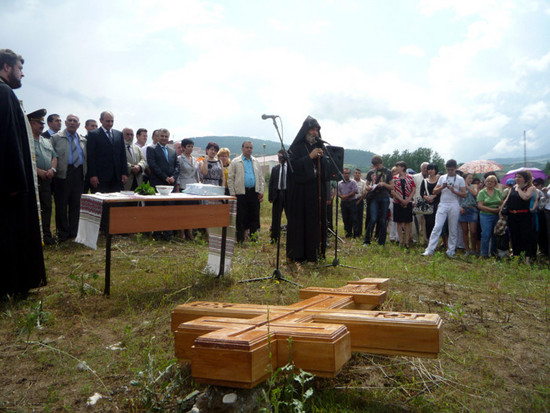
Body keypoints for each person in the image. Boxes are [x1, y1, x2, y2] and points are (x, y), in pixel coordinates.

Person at [0, 48, 47, 295]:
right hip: (10, 185)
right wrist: (17, 183)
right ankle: (12, 285)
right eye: (19, 68)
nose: (23, 74)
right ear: (6, 67)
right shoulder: (4, 93)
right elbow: (8, 141)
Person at [286, 116, 330, 261]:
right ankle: (298, 254)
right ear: (305, 130)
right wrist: (309, 157)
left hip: (317, 192)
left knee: (317, 222)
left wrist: (323, 160)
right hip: (301, 193)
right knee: (301, 223)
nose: (315, 132)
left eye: (317, 130)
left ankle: (316, 253)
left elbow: (325, 172)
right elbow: (293, 168)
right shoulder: (296, 148)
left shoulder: (320, 147)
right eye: (312, 129)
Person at [51, 114, 87, 242]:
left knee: (76, 204)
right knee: (61, 204)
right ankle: (63, 233)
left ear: (78, 125)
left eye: (75, 121)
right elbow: (52, 155)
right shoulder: (56, 138)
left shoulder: (83, 140)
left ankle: (73, 231)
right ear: (65, 123)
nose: (72, 123)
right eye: (70, 120)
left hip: (78, 173)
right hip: (63, 174)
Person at [422, 159, 466, 258]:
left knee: (453, 228)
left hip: (454, 203)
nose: (450, 171)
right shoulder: (442, 178)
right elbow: (434, 191)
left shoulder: (460, 179)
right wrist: (442, 187)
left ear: (456, 168)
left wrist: (454, 191)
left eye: (452, 170)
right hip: (443, 203)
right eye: (448, 169)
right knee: (437, 226)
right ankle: (430, 249)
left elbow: (464, 194)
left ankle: (451, 251)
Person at [29, 109, 58, 245]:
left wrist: (52, 169)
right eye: (38, 122)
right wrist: (38, 171)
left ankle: (47, 235)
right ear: (30, 123)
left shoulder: (46, 140)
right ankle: (35, 236)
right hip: (33, 180)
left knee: (47, 207)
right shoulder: (25, 140)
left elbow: (54, 156)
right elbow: (24, 160)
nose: (41, 125)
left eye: (42, 122)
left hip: (47, 179)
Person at [228, 141, 265, 243]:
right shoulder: (235, 161)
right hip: (241, 192)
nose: (249, 149)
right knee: (241, 216)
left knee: (254, 215)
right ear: (242, 148)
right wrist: (232, 193)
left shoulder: (256, 161)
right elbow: (230, 178)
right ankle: (240, 239)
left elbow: (261, 178)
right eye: (247, 147)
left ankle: (253, 238)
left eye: (251, 148)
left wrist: (261, 191)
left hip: (254, 192)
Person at [87, 111, 127, 193]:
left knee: (117, 203)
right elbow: (91, 157)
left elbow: (123, 155)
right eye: (108, 121)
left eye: (112, 121)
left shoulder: (119, 134)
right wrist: (93, 175)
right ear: (101, 120)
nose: (110, 123)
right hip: (101, 178)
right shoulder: (93, 134)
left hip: (117, 177)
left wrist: (124, 173)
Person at [502, 170, 537, 263]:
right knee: (514, 236)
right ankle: (517, 255)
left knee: (526, 236)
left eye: (519, 177)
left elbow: (526, 197)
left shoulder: (530, 188)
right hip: (513, 215)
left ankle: (527, 257)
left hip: (524, 216)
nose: (517, 179)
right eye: (516, 177)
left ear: (525, 179)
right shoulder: (513, 188)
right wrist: (501, 211)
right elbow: (507, 200)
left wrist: (519, 189)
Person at [363, 155, 394, 246]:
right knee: (373, 219)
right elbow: (366, 185)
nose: (376, 167)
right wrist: (368, 188)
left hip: (384, 197)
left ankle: (381, 242)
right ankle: (367, 240)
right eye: (374, 165)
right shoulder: (370, 172)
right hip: (374, 197)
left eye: (377, 165)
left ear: (381, 163)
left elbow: (392, 186)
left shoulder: (388, 172)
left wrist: (384, 184)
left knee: (383, 220)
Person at [392, 161, 416, 248]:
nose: (397, 168)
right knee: (399, 222)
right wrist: (401, 200)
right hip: (397, 202)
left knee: (407, 222)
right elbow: (392, 190)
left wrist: (408, 200)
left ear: (403, 167)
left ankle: (407, 242)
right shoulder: (394, 178)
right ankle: (400, 241)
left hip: (408, 202)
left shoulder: (410, 178)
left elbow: (413, 189)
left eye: (398, 167)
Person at [476, 175, 502, 258]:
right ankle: (484, 253)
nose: (489, 183)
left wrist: (500, 209)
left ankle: (493, 253)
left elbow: (501, 202)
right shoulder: (482, 192)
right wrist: (492, 210)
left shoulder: (497, 192)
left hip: (497, 215)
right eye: (488, 181)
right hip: (485, 215)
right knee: (486, 234)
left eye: (491, 181)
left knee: (495, 234)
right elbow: (480, 206)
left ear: (495, 183)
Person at [268, 150, 288, 243]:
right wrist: (270, 197)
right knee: (276, 217)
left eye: (281, 157)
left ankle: (291, 237)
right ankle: (274, 237)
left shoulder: (290, 169)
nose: (279, 159)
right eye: (278, 157)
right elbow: (271, 183)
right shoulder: (275, 169)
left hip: (288, 195)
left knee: (290, 217)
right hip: (277, 195)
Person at [459, 173, 479, 256]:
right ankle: (467, 249)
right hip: (463, 209)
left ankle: (474, 249)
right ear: (464, 179)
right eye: (468, 178)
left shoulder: (474, 186)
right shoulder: (460, 187)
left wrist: (467, 186)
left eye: (471, 178)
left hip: (472, 209)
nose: (470, 180)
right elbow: (458, 198)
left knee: (473, 231)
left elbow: (475, 193)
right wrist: (460, 207)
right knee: (465, 231)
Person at [420, 163, 440, 241]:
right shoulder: (424, 181)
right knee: (428, 223)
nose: (430, 171)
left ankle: (437, 240)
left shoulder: (439, 180)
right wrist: (427, 198)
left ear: (435, 170)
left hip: (437, 204)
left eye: (432, 169)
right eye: (429, 169)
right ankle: (429, 241)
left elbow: (441, 191)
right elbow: (421, 192)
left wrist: (433, 196)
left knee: (437, 223)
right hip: (428, 205)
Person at [338, 168, 358, 238]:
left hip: (351, 202)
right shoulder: (339, 183)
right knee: (345, 218)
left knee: (354, 218)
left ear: (350, 174)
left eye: (348, 173)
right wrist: (342, 197)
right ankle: (348, 233)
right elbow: (338, 193)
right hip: (344, 203)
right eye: (345, 173)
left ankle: (355, 234)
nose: (346, 175)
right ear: (342, 174)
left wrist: (346, 196)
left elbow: (355, 191)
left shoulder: (353, 182)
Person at [412, 162, 429, 244]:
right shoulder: (415, 177)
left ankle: (426, 240)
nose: (425, 169)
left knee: (427, 223)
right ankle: (415, 240)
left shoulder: (432, 177)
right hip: (417, 202)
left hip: (428, 203)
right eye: (424, 167)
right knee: (415, 223)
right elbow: (412, 190)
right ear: (421, 168)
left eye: (427, 167)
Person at [352, 168, 366, 238]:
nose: (357, 174)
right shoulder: (350, 182)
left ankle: (359, 233)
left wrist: (358, 201)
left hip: (360, 200)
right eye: (356, 173)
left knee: (359, 217)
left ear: (360, 174)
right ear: (353, 174)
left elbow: (364, 193)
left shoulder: (363, 182)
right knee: (352, 217)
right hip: (351, 201)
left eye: (358, 173)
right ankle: (352, 233)